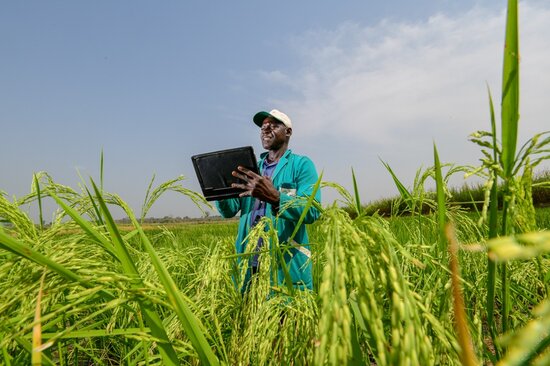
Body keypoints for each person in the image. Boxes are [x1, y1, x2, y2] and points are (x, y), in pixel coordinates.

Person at [215, 109, 321, 292]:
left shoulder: (301, 165)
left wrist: (276, 198)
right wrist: (219, 188)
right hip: (249, 263)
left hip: (285, 264)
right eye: (263, 126)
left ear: (288, 131)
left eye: (273, 125)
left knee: (286, 317)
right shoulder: (251, 170)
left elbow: (312, 210)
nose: (266, 129)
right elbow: (229, 210)